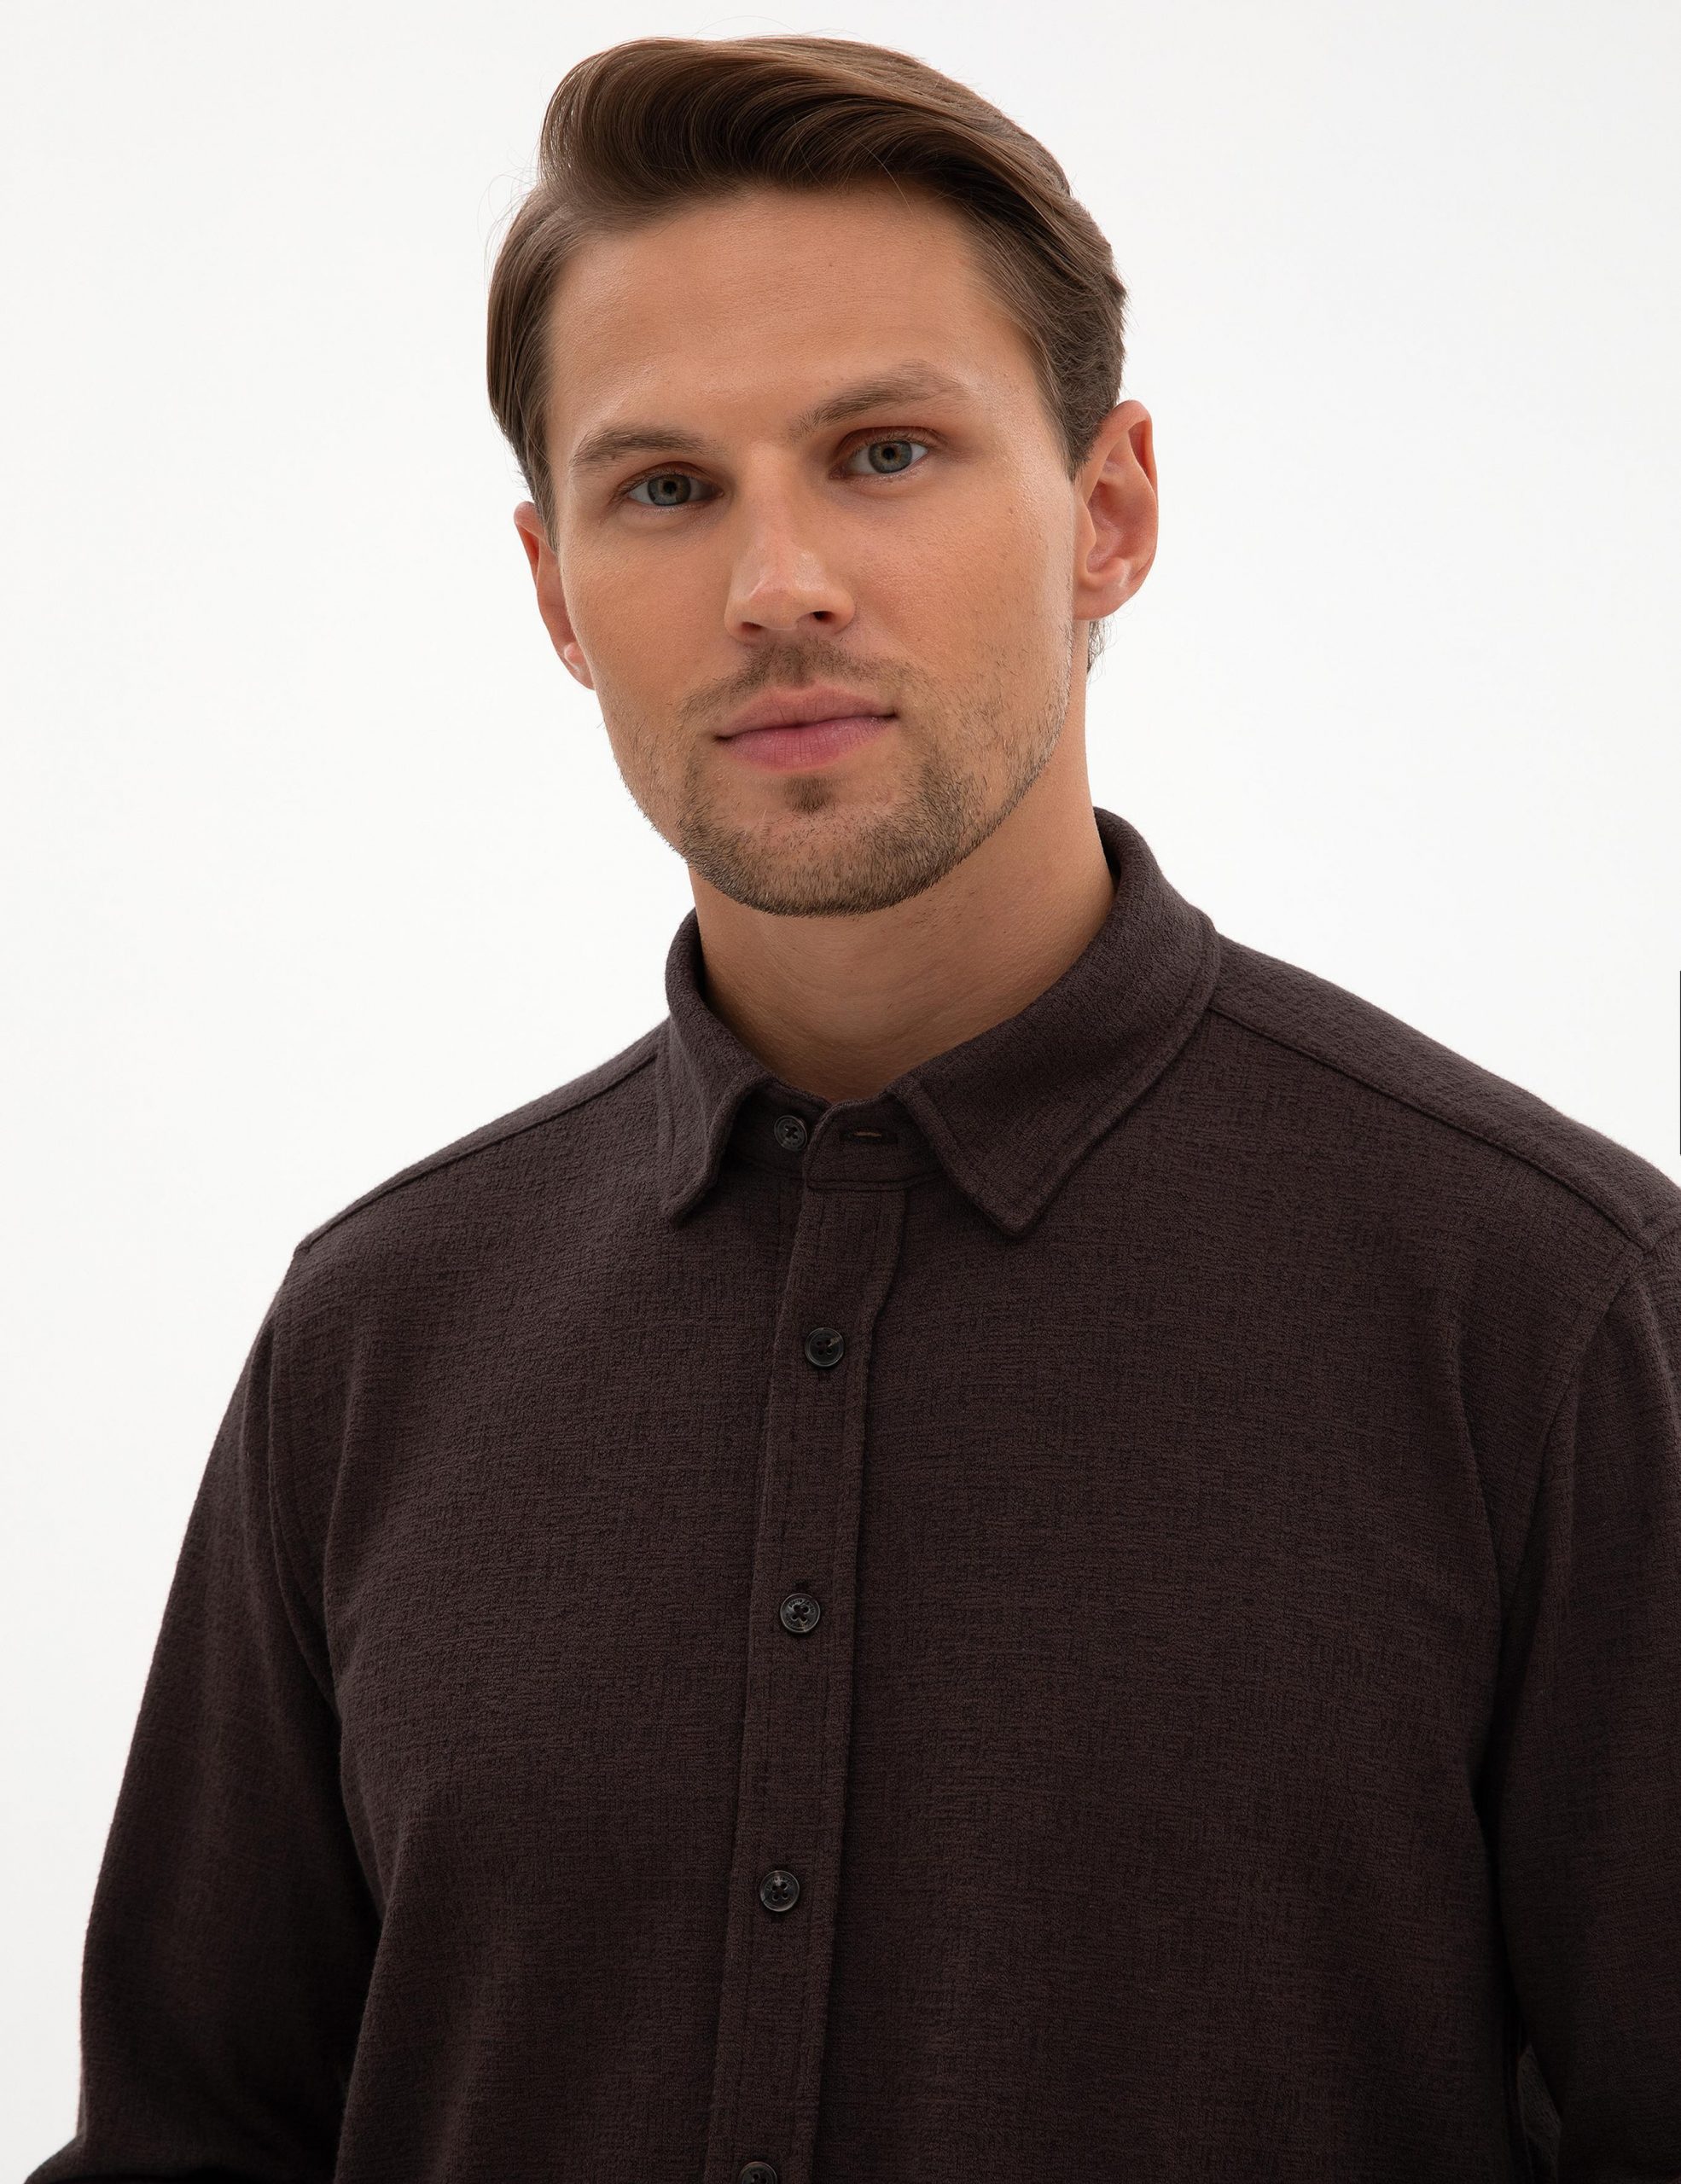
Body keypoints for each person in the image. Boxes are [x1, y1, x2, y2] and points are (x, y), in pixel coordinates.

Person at [27, 33, 1681, 2184]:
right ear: (554, 591)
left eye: (883, 451)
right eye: (665, 487)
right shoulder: (372, 1333)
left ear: (1108, 514)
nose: (777, 582)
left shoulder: (1542, 1308)